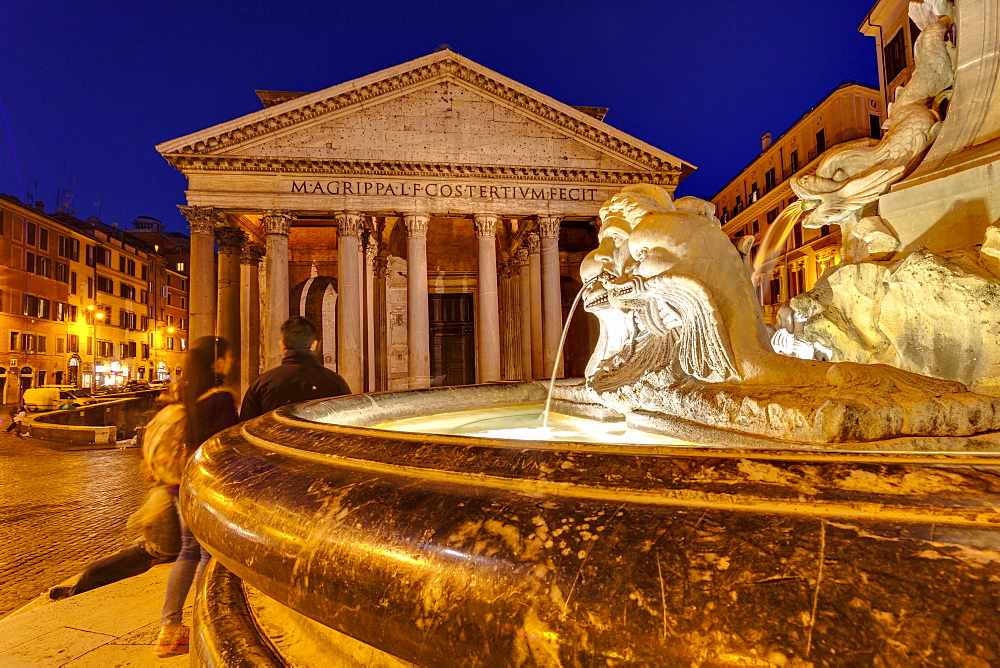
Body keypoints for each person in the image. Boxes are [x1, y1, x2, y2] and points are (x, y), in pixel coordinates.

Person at [154, 336, 238, 658]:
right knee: (205, 555)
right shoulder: (220, 398)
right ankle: (203, 624)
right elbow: (225, 446)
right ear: (216, 362)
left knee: (186, 553)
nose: (230, 363)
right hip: (205, 485)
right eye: (227, 358)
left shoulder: (181, 393)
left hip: (178, 484)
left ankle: (168, 629)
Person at [49, 484, 180, 600]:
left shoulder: (163, 494)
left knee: (93, 570)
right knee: (123, 553)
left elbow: (134, 522)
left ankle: (73, 592)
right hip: (175, 546)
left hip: (158, 550)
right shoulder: (177, 488)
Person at [239, 316, 351, 421]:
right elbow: (349, 422)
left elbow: (245, 428)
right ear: (314, 344)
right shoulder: (335, 382)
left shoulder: (261, 384)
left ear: (283, 345)